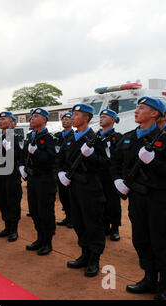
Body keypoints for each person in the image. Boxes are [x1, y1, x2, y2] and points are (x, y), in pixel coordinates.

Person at [111, 97, 166, 300]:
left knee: (161, 242)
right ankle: (149, 278)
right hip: (136, 199)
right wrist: (118, 180)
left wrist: (154, 163)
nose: (136, 111)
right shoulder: (127, 138)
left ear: (154, 114)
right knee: (141, 240)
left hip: (160, 201)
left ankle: (164, 286)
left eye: (141, 108)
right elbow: (115, 162)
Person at [56, 104, 106, 278]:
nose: (73, 117)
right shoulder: (70, 137)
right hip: (73, 187)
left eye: (76, 114)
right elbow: (60, 158)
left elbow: (105, 164)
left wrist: (91, 155)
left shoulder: (95, 138)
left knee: (92, 223)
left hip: (90, 188)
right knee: (78, 221)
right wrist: (61, 172)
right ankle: (84, 254)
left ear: (86, 118)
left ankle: (94, 259)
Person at [22, 108, 57, 255]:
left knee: (45, 211)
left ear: (44, 119)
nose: (32, 119)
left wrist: (35, 152)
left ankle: (47, 242)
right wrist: (22, 166)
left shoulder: (50, 138)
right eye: (31, 117)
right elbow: (24, 154)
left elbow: (51, 159)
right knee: (35, 210)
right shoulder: (30, 136)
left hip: (45, 179)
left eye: (36, 116)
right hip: (32, 178)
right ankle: (39, 238)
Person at [0, 111, 23, 242]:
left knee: (12, 200)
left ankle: (14, 229)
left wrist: (11, 150)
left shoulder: (16, 136)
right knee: (2, 200)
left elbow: (21, 156)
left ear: (11, 121)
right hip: (0, 172)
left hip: (11, 173)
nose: (1, 121)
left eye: (4, 119)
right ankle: (7, 226)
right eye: (0, 119)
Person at [95, 109, 122, 241]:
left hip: (110, 175)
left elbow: (118, 158)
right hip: (97, 175)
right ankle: (104, 225)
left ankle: (115, 227)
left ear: (112, 120)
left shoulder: (117, 137)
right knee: (100, 202)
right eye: (100, 117)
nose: (101, 119)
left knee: (113, 202)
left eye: (104, 117)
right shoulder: (95, 136)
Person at [54, 112, 74, 228]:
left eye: (67, 119)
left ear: (72, 122)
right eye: (63, 119)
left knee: (70, 196)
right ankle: (67, 216)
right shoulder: (57, 135)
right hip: (59, 169)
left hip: (69, 170)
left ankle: (73, 218)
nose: (64, 121)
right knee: (63, 196)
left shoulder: (74, 135)